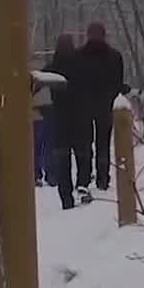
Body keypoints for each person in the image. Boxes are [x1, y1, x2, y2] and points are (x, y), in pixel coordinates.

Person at [73, 22, 126, 191]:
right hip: (105, 105)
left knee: (84, 144)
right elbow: (118, 82)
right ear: (104, 35)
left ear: (87, 35)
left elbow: (73, 82)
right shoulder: (114, 56)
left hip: (83, 106)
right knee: (103, 144)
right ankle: (103, 178)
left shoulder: (78, 56)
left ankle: (83, 178)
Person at [43, 33, 85, 209]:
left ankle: (66, 197)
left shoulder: (52, 68)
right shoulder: (81, 65)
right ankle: (82, 186)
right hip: (79, 116)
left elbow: (38, 81)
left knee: (63, 159)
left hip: (59, 117)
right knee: (82, 154)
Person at [32, 61, 54, 187]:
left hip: (34, 110)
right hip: (48, 108)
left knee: (37, 145)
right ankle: (50, 175)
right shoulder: (51, 74)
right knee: (48, 144)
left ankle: (36, 174)